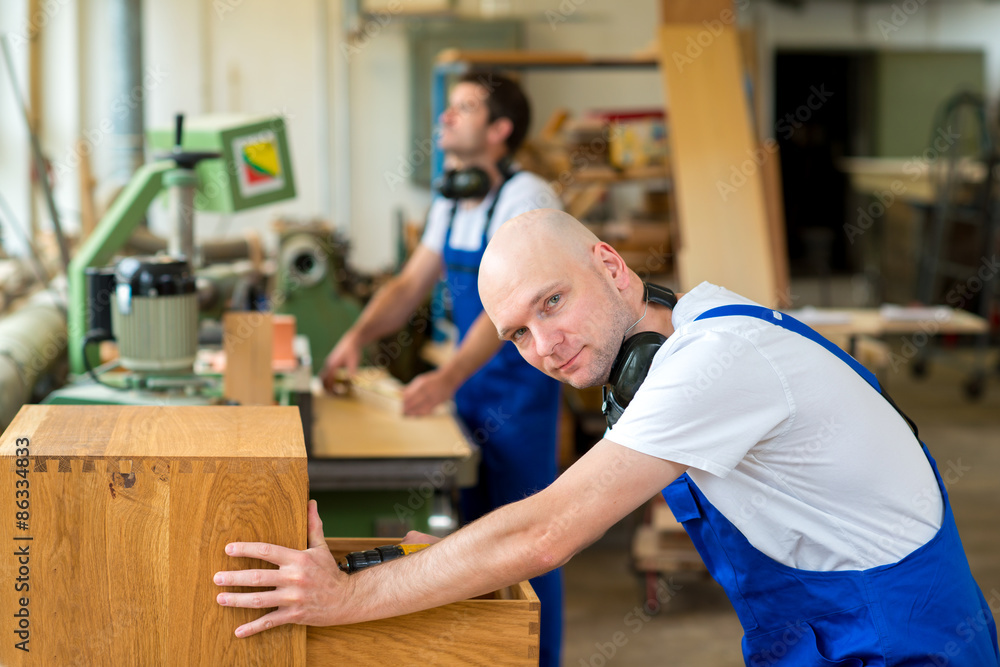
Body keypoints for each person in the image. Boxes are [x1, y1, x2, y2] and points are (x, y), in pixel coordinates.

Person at [217, 210, 1000, 665]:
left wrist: (347, 596)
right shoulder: (680, 347)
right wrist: (441, 563)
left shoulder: (716, 362)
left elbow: (547, 530)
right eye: (517, 333)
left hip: (901, 647)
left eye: (552, 302)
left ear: (611, 265)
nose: (545, 346)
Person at [318, 71, 564, 666]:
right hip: (471, 391)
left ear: (500, 129)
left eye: (465, 107)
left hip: (519, 394)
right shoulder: (453, 200)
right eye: (448, 107)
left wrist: (448, 376)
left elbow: (509, 312)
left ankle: (539, 657)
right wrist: (356, 336)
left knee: (532, 541)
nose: (445, 117)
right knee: (474, 538)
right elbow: (409, 285)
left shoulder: (526, 197)